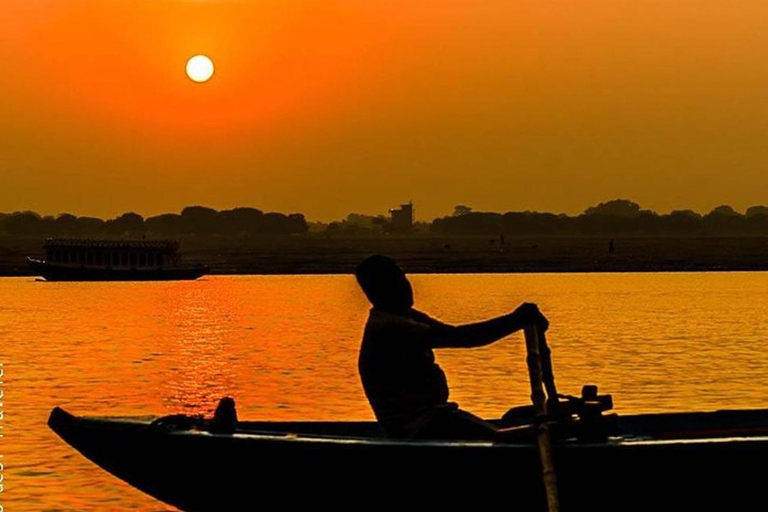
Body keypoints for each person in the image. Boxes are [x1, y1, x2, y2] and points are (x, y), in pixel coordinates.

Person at [355, 254, 549, 441]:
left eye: (403, 277)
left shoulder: (405, 315)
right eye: (397, 280)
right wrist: (516, 320)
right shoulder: (389, 326)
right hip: (419, 427)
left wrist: (518, 320)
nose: (406, 286)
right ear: (381, 290)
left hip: (437, 417)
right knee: (505, 439)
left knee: (516, 417)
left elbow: (454, 331)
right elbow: (461, 338)